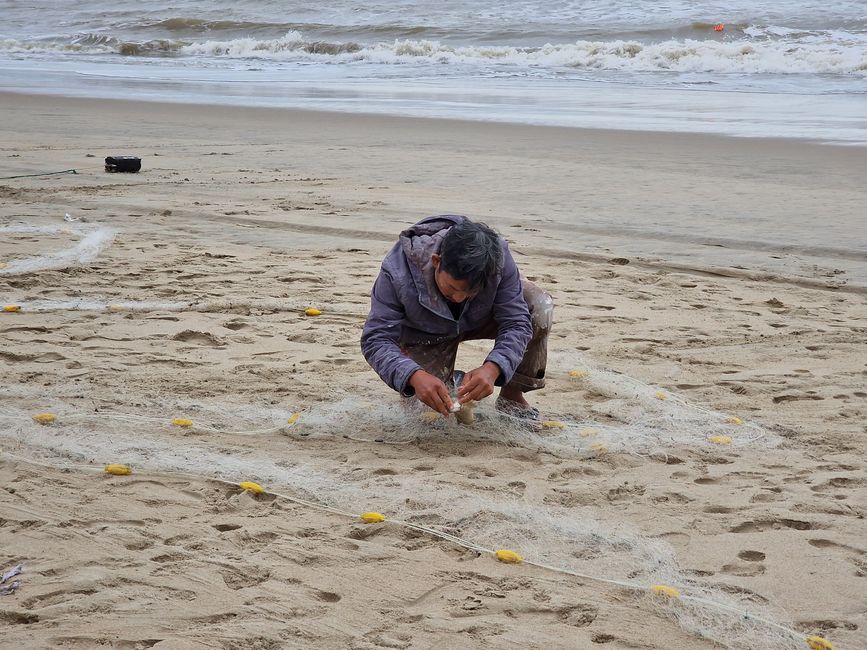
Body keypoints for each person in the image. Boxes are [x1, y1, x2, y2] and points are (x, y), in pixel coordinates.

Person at [361, 214, 553, 419]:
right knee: (428, 416)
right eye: (452, 288)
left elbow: (516, 322)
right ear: (437, 261)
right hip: (424, 333)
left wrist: (494, 367)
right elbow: (376, 339)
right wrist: (413, 375)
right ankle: (453, 381)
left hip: (480, 319)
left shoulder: (498, 261)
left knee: (539, 305)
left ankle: (511, 396)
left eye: (471, 292)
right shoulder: (398, 270)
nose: (459, 298)